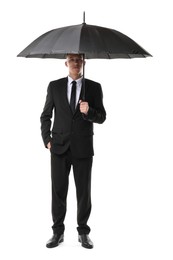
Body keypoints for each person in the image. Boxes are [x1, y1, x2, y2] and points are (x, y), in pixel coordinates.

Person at [40, 53, 106, 249]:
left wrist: (89, 112)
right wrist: (47, 141)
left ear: (83, 62)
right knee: (58, 191)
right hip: (58, 147)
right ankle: (57, 232)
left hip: (83, 148)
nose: (75, 63)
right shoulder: (54, 86)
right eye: (72, 59)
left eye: (79, 60)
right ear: (66, 63)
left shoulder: (94, 87)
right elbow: (45, 116)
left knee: (83, 192)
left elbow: (102, 117)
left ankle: (83, 232)